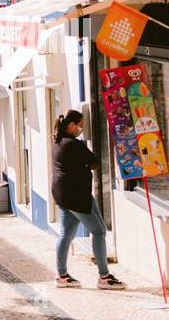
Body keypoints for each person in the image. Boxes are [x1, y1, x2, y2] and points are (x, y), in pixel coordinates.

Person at [51, 111, 125, 290]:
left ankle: (61, 276)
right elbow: (94, 162)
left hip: (62, 195)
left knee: (66, 234)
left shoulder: (57, 143)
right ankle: (104, 276)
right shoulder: (74, 145)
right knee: (99, 231)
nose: (81, 128)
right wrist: (85, 164)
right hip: (78, 196)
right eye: (79, 125)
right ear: (70, 125)